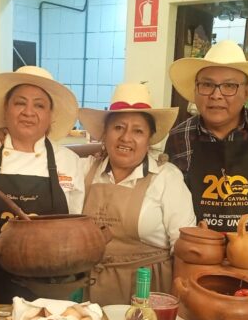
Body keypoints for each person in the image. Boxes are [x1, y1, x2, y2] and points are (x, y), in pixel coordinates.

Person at [0, 66, 84, 303]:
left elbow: (74, 232)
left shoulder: (68, 162)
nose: (28, 112)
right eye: (20, 103)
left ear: (51, 115)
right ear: (6, 110)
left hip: (49, 290)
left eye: (39, 105)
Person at [78, 83, 195, 305]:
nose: (126, 138)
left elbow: (184, 247)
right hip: (88, 293)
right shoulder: (84, 170)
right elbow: (49, 157)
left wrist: (176, 304)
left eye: (138, 131)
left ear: (150, 138)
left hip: (146, 292)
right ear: (105, 133)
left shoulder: (166, 178)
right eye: (118, 128)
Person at [165, 40, 248, 253]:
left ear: (247, 91)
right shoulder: (178, 137)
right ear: (196, 89)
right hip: (198, 260)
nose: (216, 95)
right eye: (207, 84)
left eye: (230, 85)